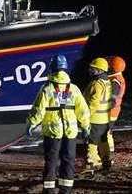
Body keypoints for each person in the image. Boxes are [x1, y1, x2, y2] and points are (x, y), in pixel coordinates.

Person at [26, 54, 90, 194]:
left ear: (52, 69)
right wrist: (85, 126)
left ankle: (49, 189)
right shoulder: (74, 88)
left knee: (51, 161)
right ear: (65, 69)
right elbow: (83, 110)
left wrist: (31, 123)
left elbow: (39, 109)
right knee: (68, 160)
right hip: (70, 131)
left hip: (52, 131)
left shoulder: (47, 89)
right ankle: (65, 189)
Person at [83, 57, 112, 171]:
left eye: (93, 69)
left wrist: (86, 115)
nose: (91, 71)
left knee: (92, 142)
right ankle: (106, 160)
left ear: (100, 71)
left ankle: (93, 162)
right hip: (104, 119)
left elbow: (94, 102)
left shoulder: (96, 84)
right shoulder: (107, 82)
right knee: (103, 141)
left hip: (95, 119)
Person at [106, 55, 126, 170]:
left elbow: (112, 100)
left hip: (110, 112)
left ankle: (108, 152)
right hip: (114, 111)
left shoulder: (114, 82)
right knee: (109, 131)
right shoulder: (118, 78)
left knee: (106, 132)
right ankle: (110, 150)